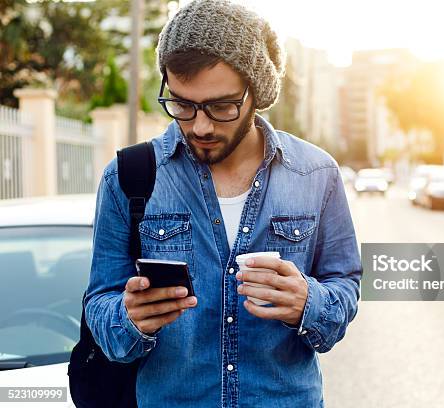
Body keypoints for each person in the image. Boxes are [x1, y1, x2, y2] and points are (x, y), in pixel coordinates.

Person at [84, 0, 362, 406]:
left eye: (220, 107)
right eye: (182, 104)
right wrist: (127, 320)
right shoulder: (126, 178)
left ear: (257, 92)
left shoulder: (317, 174)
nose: (200, 125)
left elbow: (346, 286)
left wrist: (309, 303)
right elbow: (99, 303)